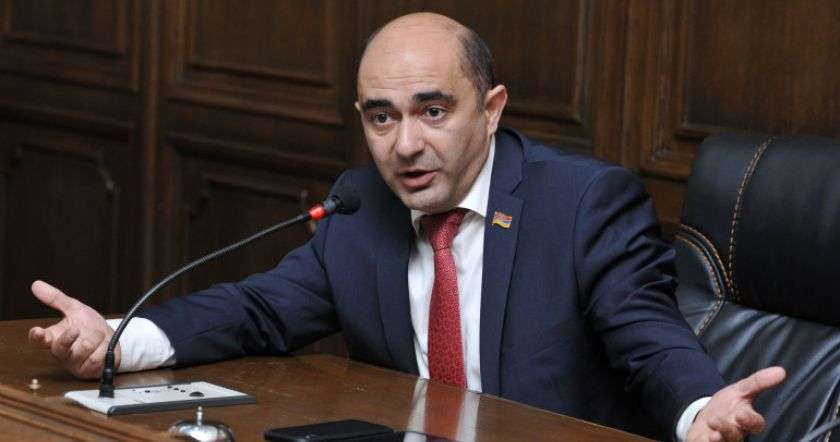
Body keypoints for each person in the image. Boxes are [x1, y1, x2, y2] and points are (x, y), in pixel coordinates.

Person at [27, 12, 784, 441]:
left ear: (491, 109)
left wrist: (699, 410)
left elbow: (647, 337)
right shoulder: (363, 204)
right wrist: (116, 341)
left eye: (434, 110)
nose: (406, 145)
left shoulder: (583, 203)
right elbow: (260, 309)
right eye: (382, 118)